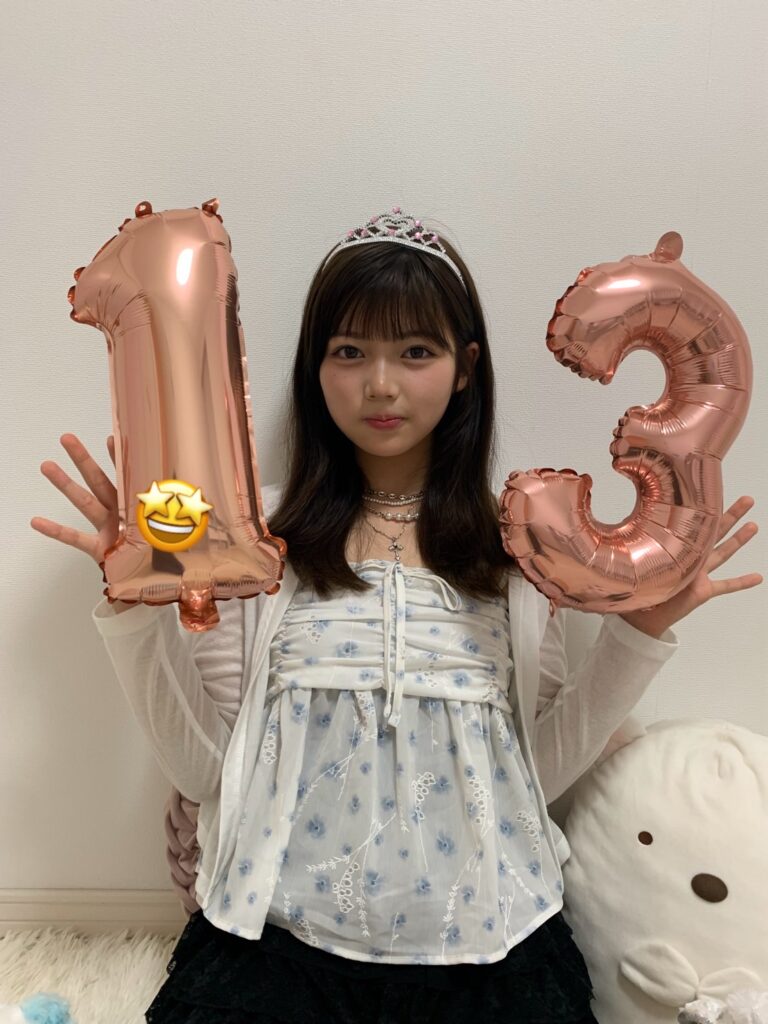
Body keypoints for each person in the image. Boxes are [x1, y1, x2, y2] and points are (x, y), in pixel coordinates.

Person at [31, 207, 762, 1024]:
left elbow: (530, 781)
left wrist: (641, 630)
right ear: (315, 367)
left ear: (465, 367)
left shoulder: (523, 551)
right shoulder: (253, 540)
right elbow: (209, 776)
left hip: (491, 943)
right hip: (277, 941)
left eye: (416, 351)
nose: (380, 384)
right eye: (349, 351)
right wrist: (130, 608)